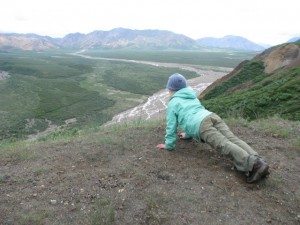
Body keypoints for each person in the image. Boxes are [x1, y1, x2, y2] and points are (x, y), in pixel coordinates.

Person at [156, 73, 269, 183]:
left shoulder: (173, 103)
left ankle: (255, 166)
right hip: (211, 116)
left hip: (202, 125)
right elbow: (193, 114)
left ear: (171, 89)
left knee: (224, 144)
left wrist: (169, 145)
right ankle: (258, 159)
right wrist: (188, 134)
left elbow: (171, 126)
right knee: (232, 139)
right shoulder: (192, 96)